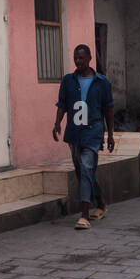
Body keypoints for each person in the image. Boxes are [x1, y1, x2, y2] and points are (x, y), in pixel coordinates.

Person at [52, 44, 115, 230]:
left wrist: (110, 134)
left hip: (93, 131)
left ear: (89, 59)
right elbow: (62, 104)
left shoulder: (102, 82)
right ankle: (101, 202)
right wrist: (57, 123)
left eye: (81, 58)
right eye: (75, 58)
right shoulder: (68, 81)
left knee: (87, 167)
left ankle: (84, 215)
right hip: (74, 132)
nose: (78, 61)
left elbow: (108, 109)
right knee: (83, 171)